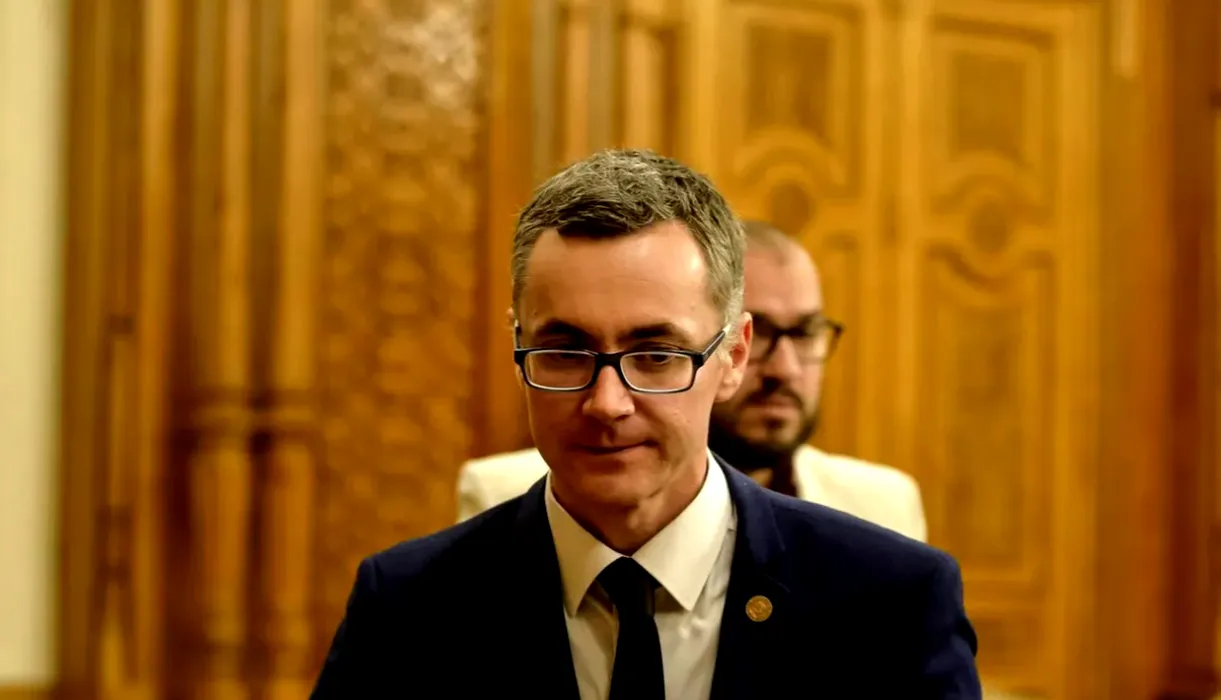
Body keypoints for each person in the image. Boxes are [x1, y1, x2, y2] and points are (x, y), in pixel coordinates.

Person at [311, 149, 980, 698]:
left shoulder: (889, 601)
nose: (607, 403)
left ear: (732, 357)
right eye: (565, 351)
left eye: (656, 354)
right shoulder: (406, 608)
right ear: (518, 350)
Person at [455, 220, 927, 540]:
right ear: (730, 349)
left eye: (804, 333)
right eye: (763, 333)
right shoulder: (505, 494)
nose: (784, 369)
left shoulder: (881, 508)